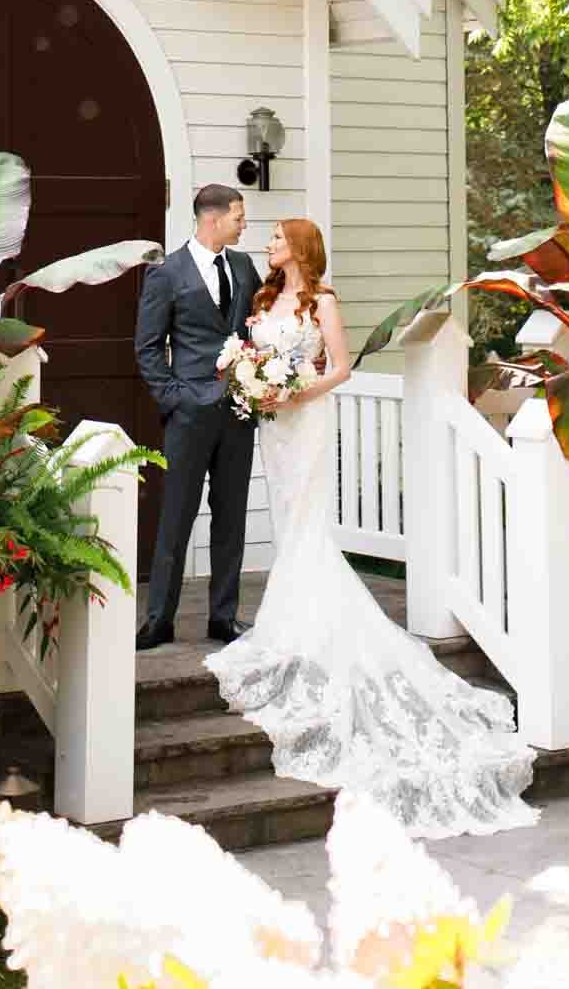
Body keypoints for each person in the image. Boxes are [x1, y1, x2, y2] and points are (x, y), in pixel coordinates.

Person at [205, 217, 537, 837]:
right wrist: (254, 380)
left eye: (278, 239)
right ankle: (295, 617)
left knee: (306, 524)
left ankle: (303, 624)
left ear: (300, 249)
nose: (270, 246)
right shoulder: (265, 299)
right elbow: (256, 356)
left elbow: (340, 368)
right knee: (288, 522)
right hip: (274, 425)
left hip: (304, 420)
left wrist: (296, 391)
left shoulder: (321, 301)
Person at [133, 181, 259, 648]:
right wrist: (173, 397)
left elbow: (258, 326)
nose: (244, 224)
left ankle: (222, 618)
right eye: (239, 217)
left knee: (231, 516)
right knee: (177, 514)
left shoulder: (245, 267)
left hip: (239, 412)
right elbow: (147, 348)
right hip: (187, 415)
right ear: (214, 218)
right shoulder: (166, 273)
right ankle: (159, 619)